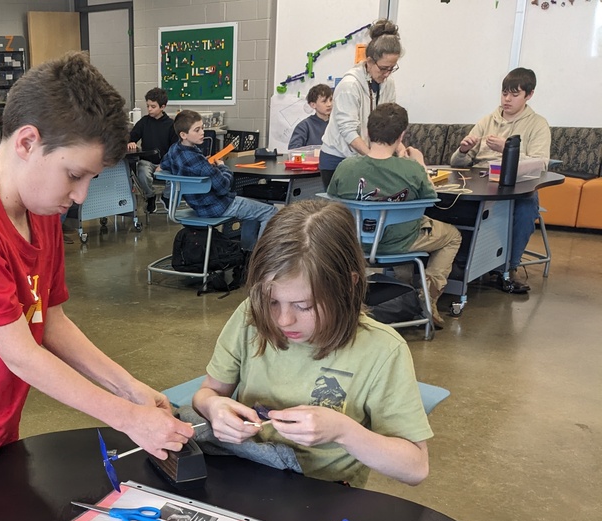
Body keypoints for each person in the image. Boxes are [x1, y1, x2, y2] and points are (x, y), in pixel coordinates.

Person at [0, 52, 193, 467]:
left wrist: (129, 387)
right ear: (27, 142)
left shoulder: (42, 211)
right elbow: (21, 353)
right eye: (75, 175)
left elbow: (51, 321)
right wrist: (128, 418)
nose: (81, 196)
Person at [189, 199, 432, 489]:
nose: (283, 320)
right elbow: (208, 393)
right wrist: (214, 406)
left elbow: (416, 468)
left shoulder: (382, 350)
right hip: (246, 473)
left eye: (303, 306)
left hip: (320, 492)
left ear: (348, 284)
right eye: (271, 301)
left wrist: (343, 432)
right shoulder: (249, 316)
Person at [328, 103, 462, 327]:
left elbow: (333, 201)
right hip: (402, 241)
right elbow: (429, 197)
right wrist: (418, 162)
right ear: (402, 135)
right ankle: (427, 297)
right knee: (452, 235)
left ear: (368, 132)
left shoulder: (345, 167)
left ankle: (401, 291)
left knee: (407, 227)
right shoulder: (412, 169)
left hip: (355, 243)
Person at [449, 67, 550, 295]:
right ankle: (459, 262)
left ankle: (508, 268)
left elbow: (541, 164)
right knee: (450, 202)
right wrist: (463, 150)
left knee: (526, 208)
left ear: (529, 95)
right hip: (480, 179)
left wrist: (508, 148)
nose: (507, 99)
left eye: (515, 94)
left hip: (515, 183)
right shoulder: (487, 120)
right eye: (504, 93)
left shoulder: (537, 124)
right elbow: (458, 162)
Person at [161, 109, 276, 255]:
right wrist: (222, 167)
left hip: (198, 206)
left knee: (253, 211)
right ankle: (261, 259)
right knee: (270, 211)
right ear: (183, 135)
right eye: (197, 130)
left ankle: (247, 253)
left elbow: (163, 166)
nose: (202, 132)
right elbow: (224, 187)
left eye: (202, 127)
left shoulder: (174, 150)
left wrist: (207, 166)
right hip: (217, 206)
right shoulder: (198, 161)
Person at [319, 19, 403, 188]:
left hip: (364, 158)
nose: (387, 73)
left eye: (392, 68)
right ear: (370, 61)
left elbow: (388, 123)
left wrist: (400, 149)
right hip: (338, 159)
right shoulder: (349, 85)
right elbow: (348, 131)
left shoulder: (388, 83)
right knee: (343, 213)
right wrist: (374, 158)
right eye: (384, 68)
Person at [127, 87, 179, 214]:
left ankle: (166, 197)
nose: (149, 109)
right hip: (147, 162)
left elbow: (174, 149)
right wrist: (130, 141)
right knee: (142, 171)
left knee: (176, 172)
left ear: (163, 107)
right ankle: (150, 196)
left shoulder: (171, 125)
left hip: (165, 163)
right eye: (148, 106)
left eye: (153, 106)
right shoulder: (144, 122)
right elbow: (131, 136)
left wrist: (164, 164)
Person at [288, 83, 333, 150]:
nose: (329, 104)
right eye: (324, 101)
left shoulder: (336, 123)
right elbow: (293, 150)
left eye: (331, 100)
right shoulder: (304, 126)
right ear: (313, 105)